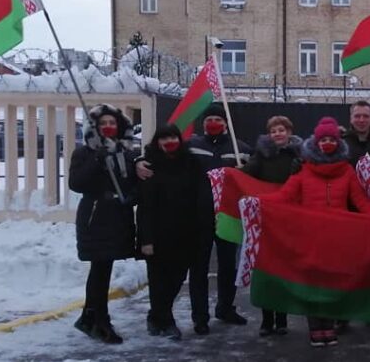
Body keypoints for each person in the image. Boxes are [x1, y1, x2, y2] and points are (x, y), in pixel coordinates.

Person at [275, 117, 370, 347]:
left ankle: (328, 326)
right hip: (311, 236)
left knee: (332, 283)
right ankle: (315, 327)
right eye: (323, 139)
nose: (328, 143)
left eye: (331, 139)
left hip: (337, 238)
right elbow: (284, 196)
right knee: (312, 284)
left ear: (338, 143)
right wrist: (257, 202)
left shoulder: (346, 171)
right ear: (316, 143)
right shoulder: (303, 170)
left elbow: (360, 201)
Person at [69, 105, 139, 344]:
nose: (108, 127)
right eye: (103, 123)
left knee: (104, 268)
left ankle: (90, 316)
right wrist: (98, 158)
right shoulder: (84, 153)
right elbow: (76, 183)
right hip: (95, 215)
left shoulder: (126, 153)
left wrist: (132, 196)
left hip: (118, 216)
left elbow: (132, 182)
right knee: (99, 267)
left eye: (112, 123)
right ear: (96, 127)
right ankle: (100, 320)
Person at [188, 103, 252, 334]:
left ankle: (225, 308)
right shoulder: (192, 146)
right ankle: (200, 317)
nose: (213, 123)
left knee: (227, 266)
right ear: (203, 123)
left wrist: (245, 170)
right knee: (199, 268)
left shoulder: (240, 148)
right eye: (209, 120)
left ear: (226, 123)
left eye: (218, 119)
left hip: (228, 215)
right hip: (199, 215)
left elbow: (255, 174)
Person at [137, 123, 203, 341]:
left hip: (186, 232)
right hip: (158, 234)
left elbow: (201, 194)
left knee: (177, 277)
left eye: (173, 137)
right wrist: (146, 239)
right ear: (157, 142)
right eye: (164, 138)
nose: (169, 142)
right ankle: (166, 321)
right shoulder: (149, 166)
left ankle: (155, 316)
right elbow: (145, 206)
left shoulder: (191, 163)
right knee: (158, 280)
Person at [242, 115, 302, 337]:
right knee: (266, 268)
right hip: (265, 216)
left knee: (284, 269)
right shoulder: (261, 154)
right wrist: (236, 171)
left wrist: (300, 168)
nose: (278, 134)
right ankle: (267, 320)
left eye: (281, 130)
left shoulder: (299, 154)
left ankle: (282, 319)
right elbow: (247, 174)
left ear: (289, 132)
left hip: (289, 217)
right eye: (274, 131)